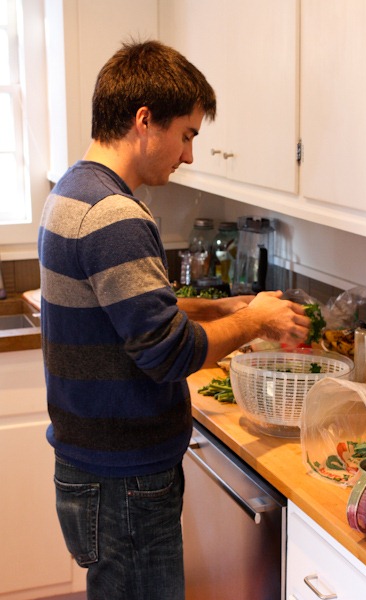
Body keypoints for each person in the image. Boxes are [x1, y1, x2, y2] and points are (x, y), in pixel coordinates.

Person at [38, 40, 310, 600]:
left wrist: (222, 307)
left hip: (97, 469)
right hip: (126, 480)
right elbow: (168, 353)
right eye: (186, 135)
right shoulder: (114, 215)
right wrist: (256, 320)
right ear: (144, 121)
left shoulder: (73, 190)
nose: (188, 155)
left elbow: (131, 312)